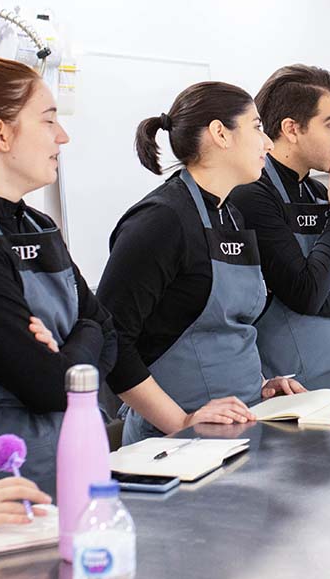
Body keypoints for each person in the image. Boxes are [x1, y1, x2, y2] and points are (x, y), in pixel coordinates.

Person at [98, 82, 305, 445]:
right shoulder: (161, 220)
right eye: (257, 127)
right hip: (176, 441)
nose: (268, 143)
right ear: (220, 134)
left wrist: (260, 385)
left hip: (238, 422)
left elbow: (223, 327)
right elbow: (112, 341)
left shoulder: (232, 216)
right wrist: (182, 420)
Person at [0, 57, 122, 494]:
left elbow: (108, 329)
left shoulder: (39, 226)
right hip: (8, 489)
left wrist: (67, 349)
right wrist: (82, 341)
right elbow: (47, 387)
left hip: (75, 467)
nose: (62, 136)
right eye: (48, 121)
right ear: (1, 133)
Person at [229, 65, 330, 386]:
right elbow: (305, 293)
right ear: (292, 129)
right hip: (279, 392)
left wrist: (315, 301)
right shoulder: (254, 194)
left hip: (325, 380)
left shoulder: (319, 191)